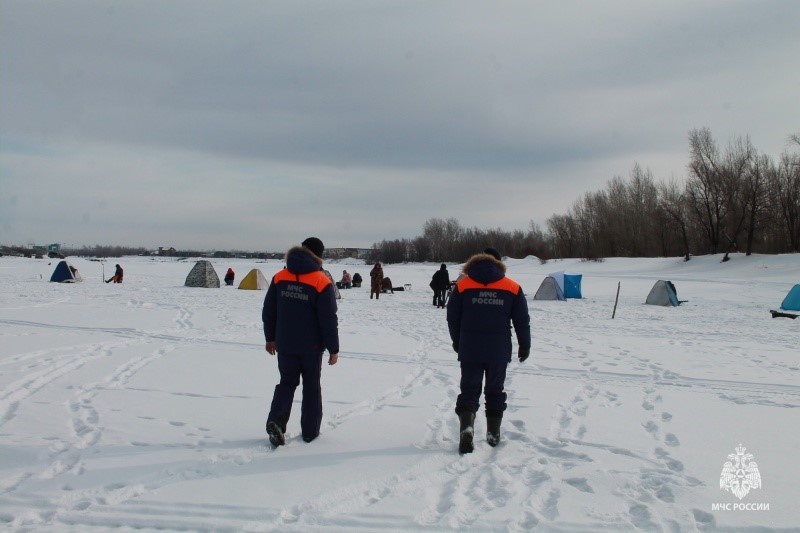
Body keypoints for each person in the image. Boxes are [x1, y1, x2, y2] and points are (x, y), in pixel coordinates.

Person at [446, 247, 530, 454]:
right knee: (495, 390)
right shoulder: (512, 287)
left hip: (470, 347)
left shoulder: (463, 285)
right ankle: (493, 433)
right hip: (498, 350)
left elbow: (452, 317)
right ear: (499, 264)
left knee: (469, 389)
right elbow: (522, 320)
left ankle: (467, 427)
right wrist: (524, 344)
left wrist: (457, 341)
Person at [262, 237, 339, 447]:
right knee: (311, 386)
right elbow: (328, 319)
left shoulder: (280, 277)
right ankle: (310, 432)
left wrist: (270, 338)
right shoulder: (321, 281)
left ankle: (276, 420)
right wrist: (334, 349)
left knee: (287, 383)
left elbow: (269, 311)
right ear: (319, 255)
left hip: (285, 344)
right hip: (311, 347)